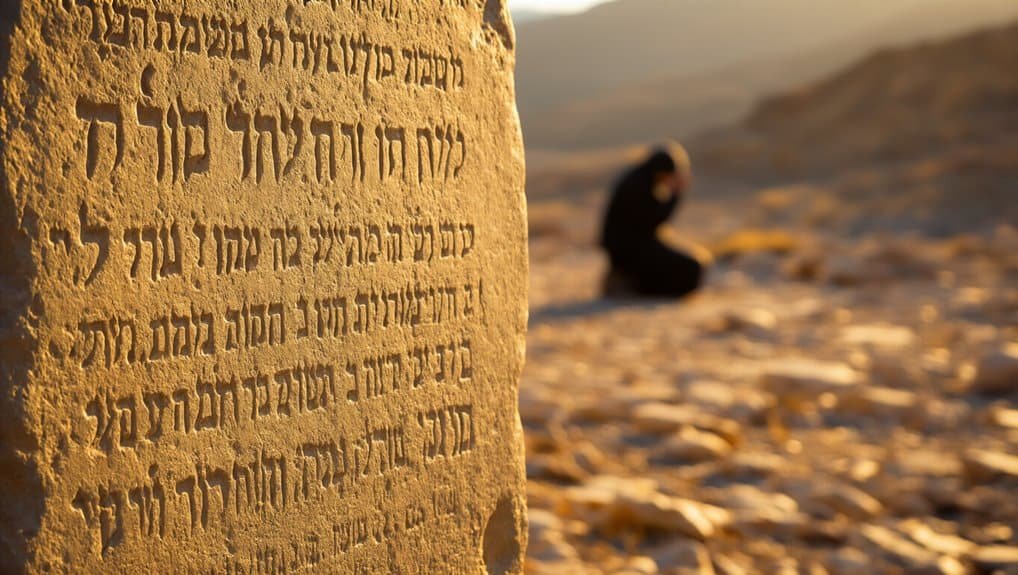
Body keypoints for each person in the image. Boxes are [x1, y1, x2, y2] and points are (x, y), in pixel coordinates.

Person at [600, 143, 711, 298]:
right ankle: (637, 289)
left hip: (626, 249)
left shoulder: (638, 179)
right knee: (692, 267)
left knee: (689, 264)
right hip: (630, 251)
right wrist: (676, 194)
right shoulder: (639, 185)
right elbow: (655, 221)